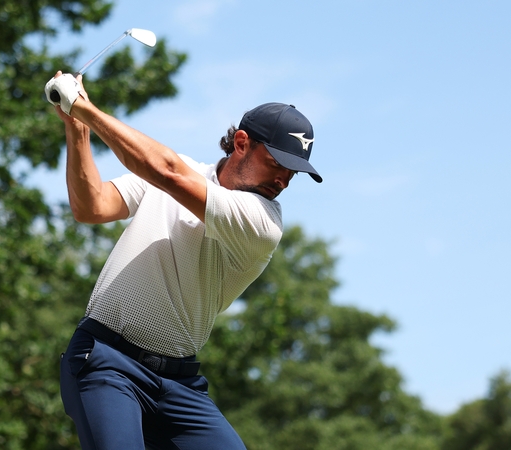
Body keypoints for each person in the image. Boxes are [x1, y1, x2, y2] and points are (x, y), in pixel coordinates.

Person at [44, 71, 322, 450]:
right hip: (107, 362)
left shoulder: (263, 222)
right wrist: (78, 130)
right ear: (242, 142)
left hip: (180, 384)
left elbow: (165, 171)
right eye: (277, 162)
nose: (285, 179)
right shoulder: (179, 172)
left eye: (294, 171)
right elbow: (91, 206)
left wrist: (83, 107)